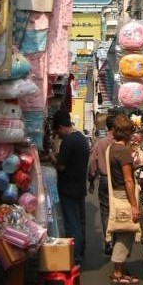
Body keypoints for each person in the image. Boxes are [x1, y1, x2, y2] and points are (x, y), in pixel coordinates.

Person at [50, 110, 89, 266]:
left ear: (61, 126)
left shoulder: (68, 141)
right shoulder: (81, 139)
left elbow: (61, 167)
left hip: (68, 188)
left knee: (72, 223)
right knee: (79, 221)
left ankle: (76, 258)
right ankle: (80, 252)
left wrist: (53, 157)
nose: (58, 134)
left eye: (57, 131)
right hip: (79, 186)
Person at [107, 114, 141, 285]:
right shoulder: (123, 151)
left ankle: (121, 268)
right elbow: (128, 180)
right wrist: (134, 205)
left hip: (116, 193)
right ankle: (118, 272)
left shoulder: (112, 148)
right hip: (124, 196)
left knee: (122, 232)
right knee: (125, 234)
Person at [88, 113, 116, 255]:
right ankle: (117, 242)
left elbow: (93, 163)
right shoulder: (121, 142)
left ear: (107, 126)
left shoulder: (100, 142)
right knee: (118, 209)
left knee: (105, 211)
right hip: (119, 179)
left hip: (104, 179)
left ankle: (108, 241)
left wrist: (91, 180)